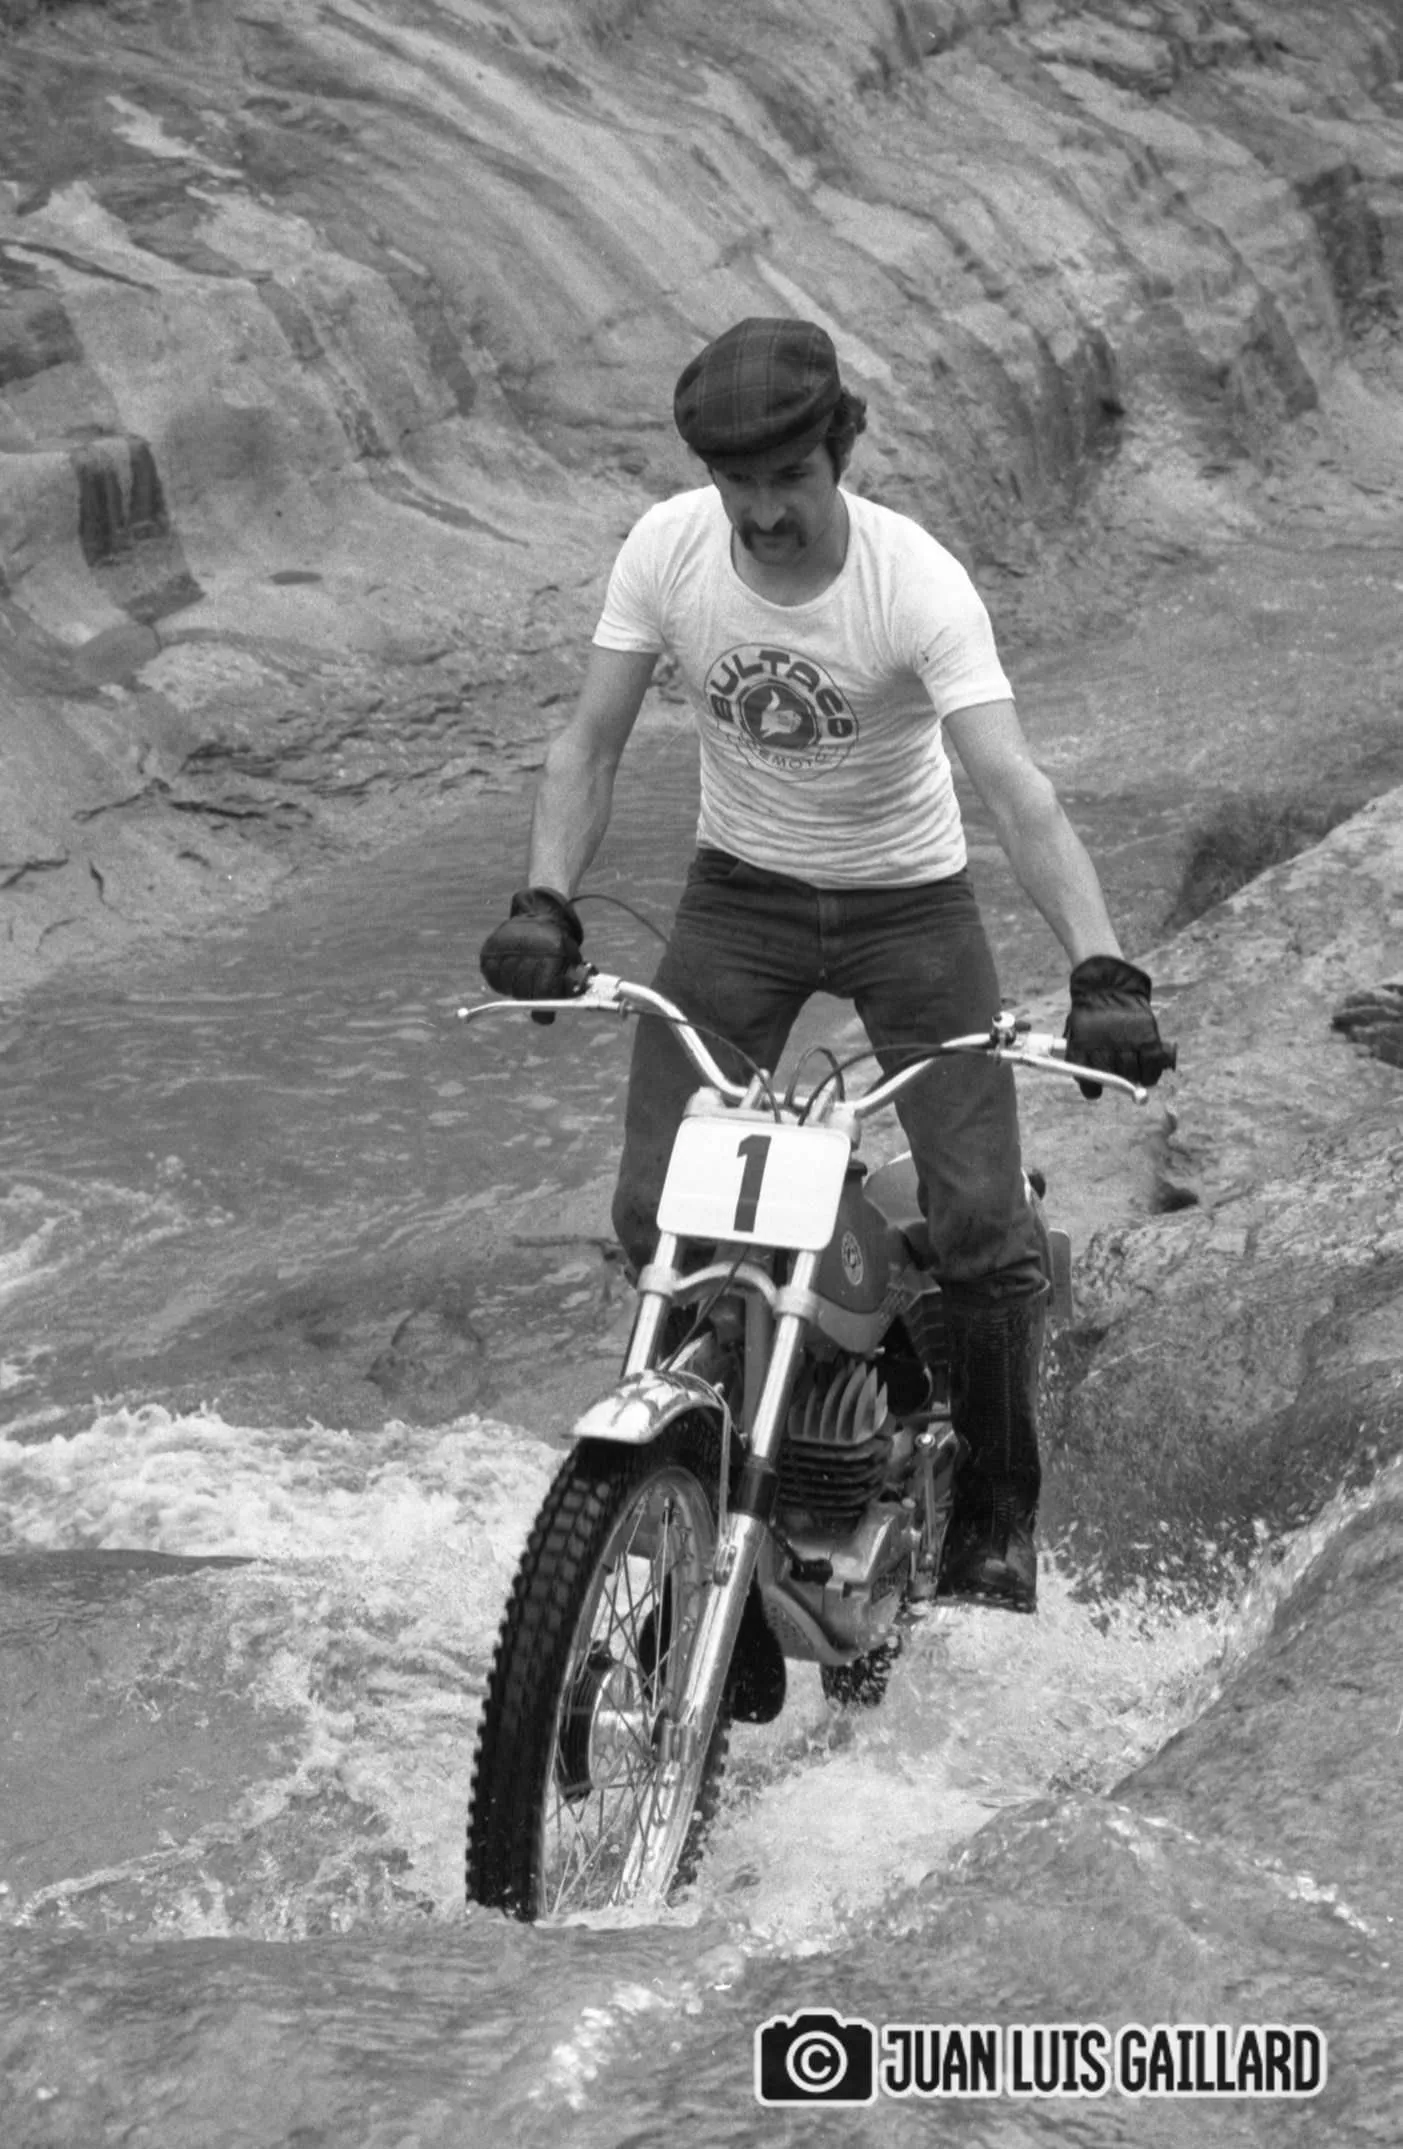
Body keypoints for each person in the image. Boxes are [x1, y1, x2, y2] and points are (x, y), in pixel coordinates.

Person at [479, 316, 1172, 1612]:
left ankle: (993, 1519)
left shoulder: (915, 586)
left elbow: (1013, 789)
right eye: (735, 483)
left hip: (912, 910)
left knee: (979, 1223)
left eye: (787, 479)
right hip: (738, 899)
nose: (761, 513)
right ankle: (717, 1491)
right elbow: (588, 743)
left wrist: (1104, 971)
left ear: (839, 451)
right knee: (655, 1212)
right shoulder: (666, 550)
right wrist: (544, 903)